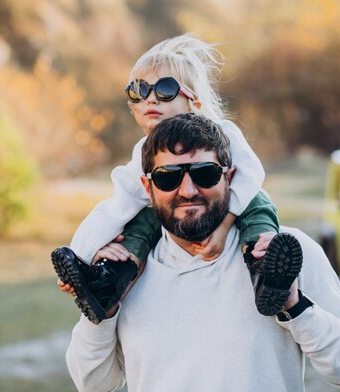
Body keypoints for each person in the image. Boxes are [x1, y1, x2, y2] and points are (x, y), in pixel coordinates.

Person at [65, 113, 340, 392]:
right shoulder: (124, 272)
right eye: (168, 177)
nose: (188, 191)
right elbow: (92, 384)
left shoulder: (281, 252)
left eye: (205, 174)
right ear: (147, 188)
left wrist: (294, 307)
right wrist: (104, 314)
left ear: (230, 178)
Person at [51, 34, 302, 324]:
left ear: (193, 101)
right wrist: (81, 256)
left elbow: (251, 176)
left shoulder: (221, 132)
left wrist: (223, 227)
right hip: (172, 215)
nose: (151, 98)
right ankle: (108, 281)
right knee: (142, 217)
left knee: (258, 203)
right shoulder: (145, 152)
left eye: (166, 89)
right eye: (139, 91)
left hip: (235, 204)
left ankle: (266, 270)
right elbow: (118, 204)